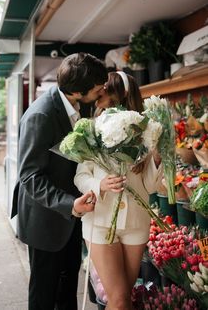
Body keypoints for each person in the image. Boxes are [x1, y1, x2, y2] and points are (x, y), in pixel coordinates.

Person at [11, 52, 108, 310]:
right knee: (44, 292)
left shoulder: (81, 106)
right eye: (98, 89)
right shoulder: (40, 116)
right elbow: (30, 176)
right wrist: (70, 205)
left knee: (67, 288)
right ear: (77, 92)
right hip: (45, 219)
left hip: (72, 216)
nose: (101, 93)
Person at [74, 71, 163, 310]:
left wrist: (157, 156)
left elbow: (152, 186)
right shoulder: (92, 129)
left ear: (120, 93)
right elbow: (81, 175)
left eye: (105, 88)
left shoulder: (146, 130)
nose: (99, 92)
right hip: (101, 221)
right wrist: (99, 186)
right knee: (119, 299)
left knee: (126, 295)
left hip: (136, 223)